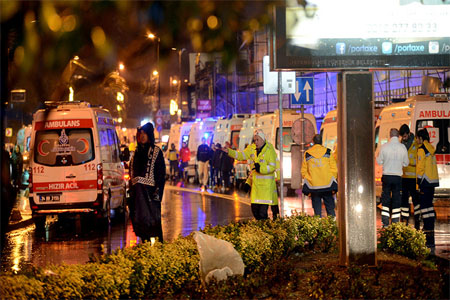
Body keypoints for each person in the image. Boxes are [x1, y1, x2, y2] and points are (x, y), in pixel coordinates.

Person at [223, 129, 277, 220]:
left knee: (262, 214)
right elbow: (241, 155)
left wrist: (261, 169)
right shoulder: (252, 149)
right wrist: (229, 151)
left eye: (257, 140)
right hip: (256, 189)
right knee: (255, 211)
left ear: (263, 140)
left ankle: (264, 230)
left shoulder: (269, 150)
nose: (255, 142)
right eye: (254, 140)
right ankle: (262, 228)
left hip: (266, 189)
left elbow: (272, 167)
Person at [129, 122, 166, 243]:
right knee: (140, 224)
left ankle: (158, 250)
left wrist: (158, 192)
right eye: (141, 134)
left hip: (150, 195)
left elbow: (161, 174)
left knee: (153, 223)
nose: (142, 136)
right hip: (138, 196)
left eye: (145, 134)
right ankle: (144, 248)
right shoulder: (136, 153)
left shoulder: (156, 151)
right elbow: (131, 173)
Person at [376, 128, 409, 227]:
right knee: (396, 199)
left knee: (386, 199)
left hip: (387, 176)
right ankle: (395, 222)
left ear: (390, 136)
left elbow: (379, 161)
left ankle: (385, 222)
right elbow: (406, 163)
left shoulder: (384, 147)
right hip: (398, 177)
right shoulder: (402, 147)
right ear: (398, 135)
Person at [301, 134, 338, 218]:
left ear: (313, 142)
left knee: (317, 210)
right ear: (321, 141)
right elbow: (334, 168)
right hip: (327, 185)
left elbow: (303, 171)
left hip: (314, 187)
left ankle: (318, 227)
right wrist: (331, 178)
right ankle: (331, 226)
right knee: (330, 208)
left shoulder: (307, 154)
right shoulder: (328, 152)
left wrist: (309, 180)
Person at [416, 128, 439, 252]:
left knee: (424, 205)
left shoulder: (421, 150)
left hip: (425, 181)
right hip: (433, 180)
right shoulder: (431, 148)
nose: (417, 140)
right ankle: (430, 224)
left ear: (421, 138)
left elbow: (420, 167)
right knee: (429, 205)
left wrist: (418, 181)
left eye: (417, 138)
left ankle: (426, 225)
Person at [399, 124, 419, 227]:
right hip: (404, 177)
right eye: (402, 136)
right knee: (404, 201)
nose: (403, 138)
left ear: (409, 133)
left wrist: (408, 162)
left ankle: (417, 219)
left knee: (416, 200)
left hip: (413, 177)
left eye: (405, 136)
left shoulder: (415, 143)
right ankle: (405, 219)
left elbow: (418, 160)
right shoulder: (401, 143)